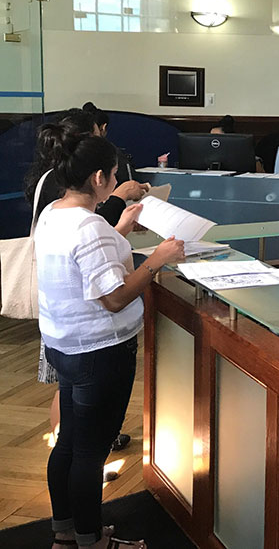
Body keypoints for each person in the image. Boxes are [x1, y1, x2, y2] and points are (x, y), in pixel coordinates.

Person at [34, 127, 186, 549]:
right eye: (115, 174)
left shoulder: (54, 214)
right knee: (89, 453)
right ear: (100, 178)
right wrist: (157, 259)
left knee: (67, 443)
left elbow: (84, 265)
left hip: (64, 346)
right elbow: (115, 298)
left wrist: (119, 227)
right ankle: (92, 540)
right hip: (100, 353)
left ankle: (65, 532)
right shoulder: (89, 227)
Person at [26, 109, 148, 227]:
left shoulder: (58, 177)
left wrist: (125, 223)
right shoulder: (62, 178)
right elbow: (90, 226)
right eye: (96, 136)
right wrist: (120, 196)